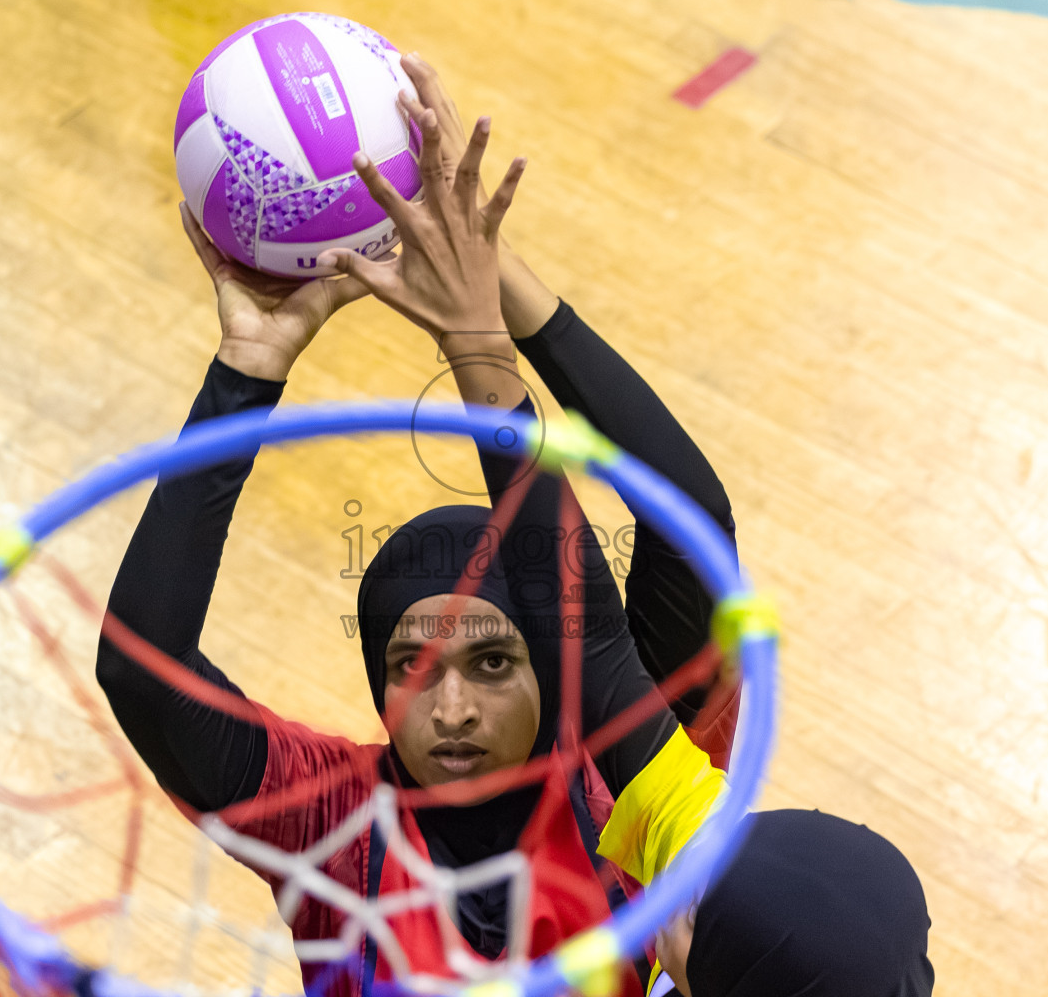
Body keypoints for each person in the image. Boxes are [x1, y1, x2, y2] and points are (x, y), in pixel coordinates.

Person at [96, 51, 932, 997]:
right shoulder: (338, 820)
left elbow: (615, 603)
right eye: (410, 665)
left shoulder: (618, 785)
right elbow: (144, 670)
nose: (450, 710)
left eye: (493, 661)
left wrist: (477, 339)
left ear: (553, 659)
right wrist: (263, 367)